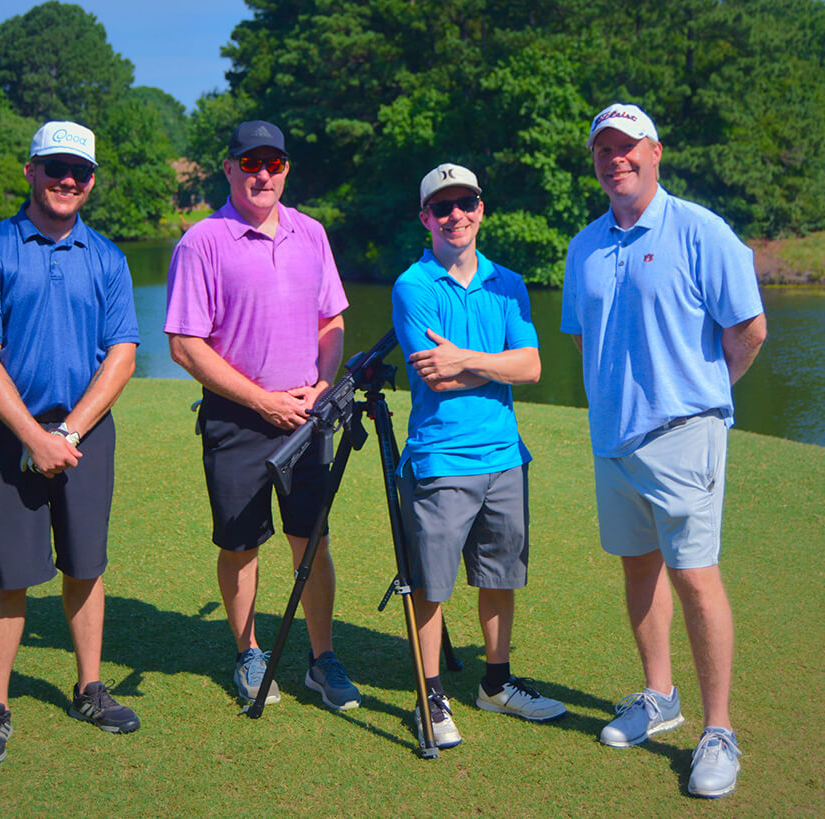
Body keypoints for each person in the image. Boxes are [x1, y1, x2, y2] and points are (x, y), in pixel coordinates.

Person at [562, 103, 767, 797]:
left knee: (695, 576)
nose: (615, 158)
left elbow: (750, 330)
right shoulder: (583, 245)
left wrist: (702, 396)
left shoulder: (701, 231)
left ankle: (719, 728)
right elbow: (586, 340)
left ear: (656, 151)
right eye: (604, 149)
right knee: (638, 568)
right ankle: (660, 697)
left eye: (628, 146)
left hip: (685, 434)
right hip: (613, 439)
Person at [0, 120, 141, 768]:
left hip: (84, 434)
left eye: (79, 172)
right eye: (55, 167)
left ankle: (90, 686)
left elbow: (121, 354)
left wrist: (67, 433)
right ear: (30, 170)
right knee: (11, 574)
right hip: (10, 437)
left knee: (86, 566)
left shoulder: (108, 257)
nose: (67, 180)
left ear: (91, 181)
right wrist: (33, 435)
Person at [163, 120, 360, 711]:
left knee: (312, 540)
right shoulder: (202, 240)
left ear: (286, 170)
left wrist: (323, 385)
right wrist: (260, 399)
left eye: (273, 164)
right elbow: (184, 345)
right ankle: (250, 653)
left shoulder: (311, 233)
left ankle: (321, 660)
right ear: (230, 170)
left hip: (306, 416)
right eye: (250, 164)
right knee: (240, 544)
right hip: (236, 420)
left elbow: (332, 322)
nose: (263, 175)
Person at [391, 163, 567, 750]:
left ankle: (496, 683)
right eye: (442, 207)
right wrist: (495, 364)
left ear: (481, 209)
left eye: (465, 203)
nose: (455, 215)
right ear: (426, 218)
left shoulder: (509, 283)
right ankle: (431, 693)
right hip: (441, 458)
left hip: (505, 455)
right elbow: (434, 378)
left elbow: (534, 368)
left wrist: (465, 358)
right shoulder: (412, 286)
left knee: (499, 577)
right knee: (432, 585)